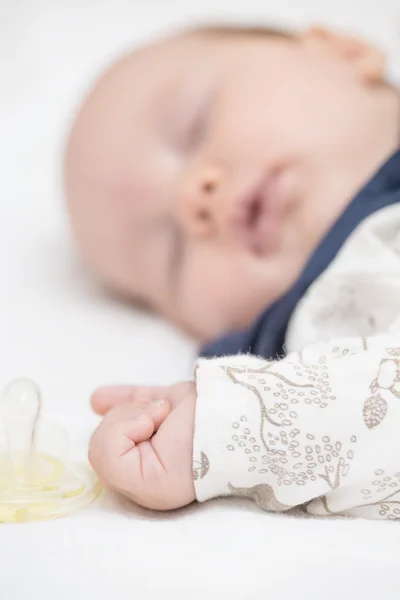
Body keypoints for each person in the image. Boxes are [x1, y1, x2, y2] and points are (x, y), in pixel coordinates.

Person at [64, 24, 400, 519]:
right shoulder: (316, 360)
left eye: (194, 126)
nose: (191, 202)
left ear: (344, 52)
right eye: (172, 254)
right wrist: (224, 428)